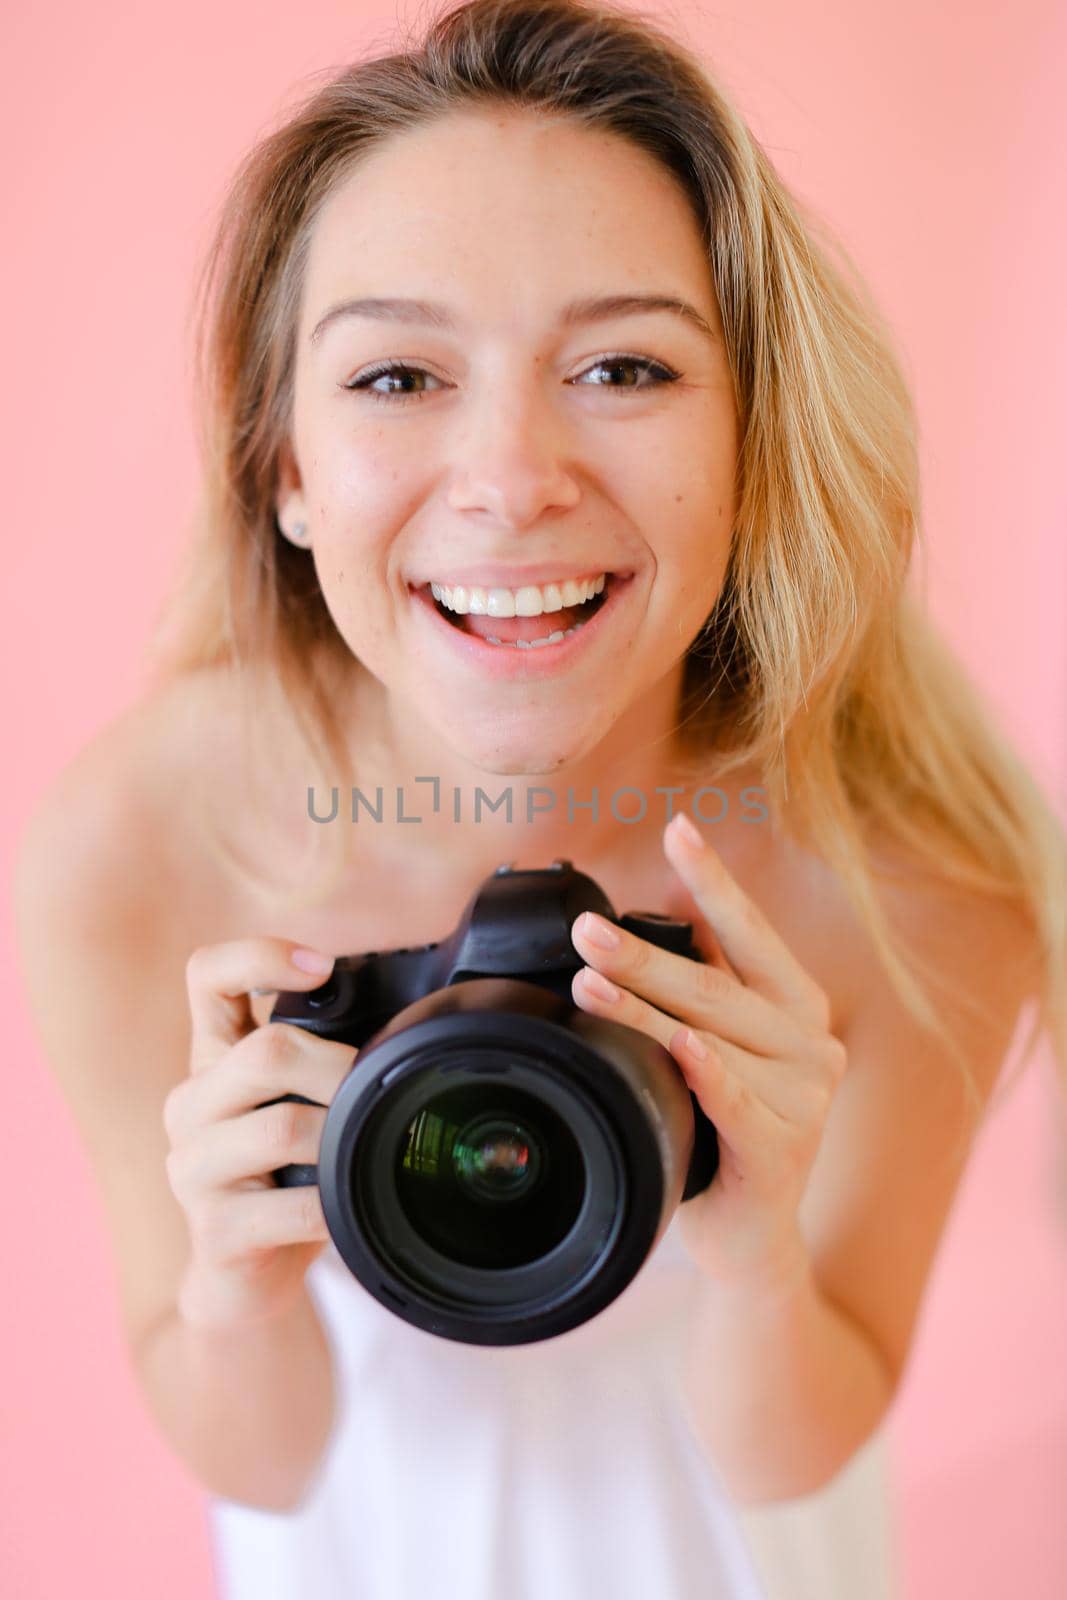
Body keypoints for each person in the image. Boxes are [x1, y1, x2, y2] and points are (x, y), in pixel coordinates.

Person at [13, 1, 1067, 1597]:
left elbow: (796, 1447)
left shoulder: (904, 876)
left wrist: (750, 1248)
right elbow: (268, 1462)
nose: (512, 477)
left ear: (752, 440)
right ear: (284, 464)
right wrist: (236, 1285)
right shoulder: (142, 846)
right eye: (396, 375)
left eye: (624, 365)